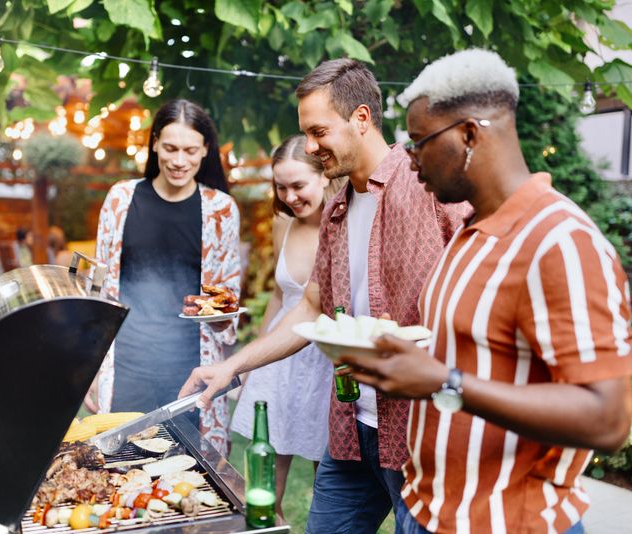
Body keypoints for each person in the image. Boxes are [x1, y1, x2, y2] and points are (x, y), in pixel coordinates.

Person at [341, 49, 632, 534]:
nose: (409, 163)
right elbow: (470, 351)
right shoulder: (470, 229)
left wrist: (443, 382)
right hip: (427, 511)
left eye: (418, 143)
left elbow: (609, 420)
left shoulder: (559, 241)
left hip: (506, 523)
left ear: (470, 134)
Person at [179, 59, 469, 532]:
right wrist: (233, 365)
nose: (310, 147)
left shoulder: (428, 187)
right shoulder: (336, 210)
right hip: (352, 429)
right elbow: (310, 306)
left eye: (318, 132)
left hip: (420, 435)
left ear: (360, 118)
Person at [90, 99, 241, 455]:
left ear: (206, 150)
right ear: (154, 142)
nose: (179, 161)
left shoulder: (220, 210)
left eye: (190, 150)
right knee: (121, 469)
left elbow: (226, 296)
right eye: (170, 148)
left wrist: (224, 318)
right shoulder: (121, 199)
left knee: (191, 478)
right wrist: (90, 371)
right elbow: (98, 290)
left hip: (191, 370)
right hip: (127, 365)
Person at [231, 135, 344, 516]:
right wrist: (252, 361)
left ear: (324, 177)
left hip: (325, 361)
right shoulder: (283, 222)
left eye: (298, 185)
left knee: (328, 483)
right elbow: (280, 298)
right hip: (281, 356)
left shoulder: (344, 224)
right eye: (281, 187)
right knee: (264, 488)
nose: (290, 196)